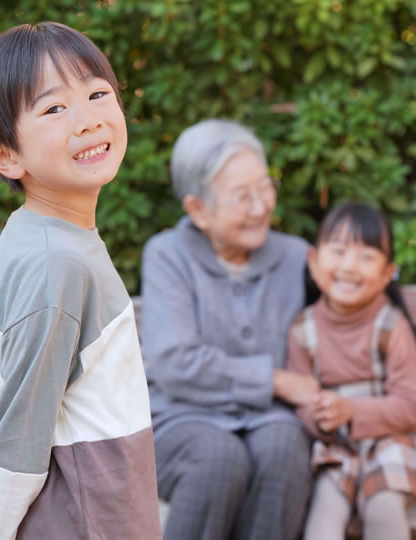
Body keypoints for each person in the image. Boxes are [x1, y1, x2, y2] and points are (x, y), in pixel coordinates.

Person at [0, 22, 161, 540]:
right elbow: (15, 441)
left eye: (97, 93)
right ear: (5, 155)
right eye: (54, 108)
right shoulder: (56, 265)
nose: (88, 120)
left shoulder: (39, 234)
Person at [140, 119, 318, 540]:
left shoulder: (296, 256)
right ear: (198, 210)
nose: (260, 207)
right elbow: (174, 363)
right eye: (242, 196)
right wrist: (274, 380)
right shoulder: (168, 256)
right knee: (218, 456)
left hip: (268, 419)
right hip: (178, 418)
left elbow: (350, 317)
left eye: (264, 187)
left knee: (284, 447)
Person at [286, 202, 416, 540]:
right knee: (323, 516)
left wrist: (349, 410)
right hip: (340, 448)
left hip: (394, 441)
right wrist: (318, 419)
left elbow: (409, 408)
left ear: (388, 274)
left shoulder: (392, 326)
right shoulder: (303, 330)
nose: (350, 266)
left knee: (384, 506)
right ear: (313, 262)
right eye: (339, 251)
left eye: (366, 256)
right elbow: (301, 400)